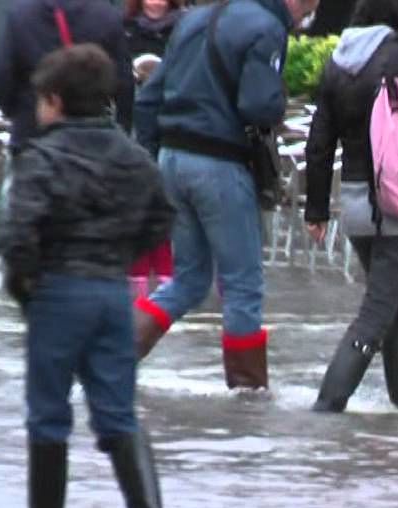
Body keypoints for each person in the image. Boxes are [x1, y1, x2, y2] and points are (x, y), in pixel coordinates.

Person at [0, 44, 175, 508]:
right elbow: (162, 218)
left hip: (57, 290)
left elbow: (19, 234)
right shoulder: (133, 156)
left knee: (49, 412)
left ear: (54, 100)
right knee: (117, 410)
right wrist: (121, 253)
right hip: (110, 292)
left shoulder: (43, 156)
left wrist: (25, 287)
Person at [133, 0, 320, 390]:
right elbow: (258, 106)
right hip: (219, 165)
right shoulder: (266, 28)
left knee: (188, 279)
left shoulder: (192, 20)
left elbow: (148, 99)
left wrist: (157, 159)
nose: (307, 16)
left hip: (172, 159)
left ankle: (111, 354)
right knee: (242, 285)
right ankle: (247, 401)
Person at [304, 0, 398, 413]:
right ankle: (328, 405)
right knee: (377, 312)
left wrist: (316, 209)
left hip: (353, 202)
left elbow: (319, 143)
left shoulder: (338, 59)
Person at [0, 0, 134, 152]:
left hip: (32, 129)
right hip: (91, 134)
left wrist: (19, 112)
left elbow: (1, 75)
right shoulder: (107, 15)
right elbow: (123, 82)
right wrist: (121, 130)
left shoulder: (21, 13)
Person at [126, 0, 184, 300]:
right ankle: (137, 281)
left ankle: (165, 282)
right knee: (137, 207)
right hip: (133, 127)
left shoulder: (183, 27)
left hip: (171, 127)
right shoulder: (125, 28)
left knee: (164, 206)